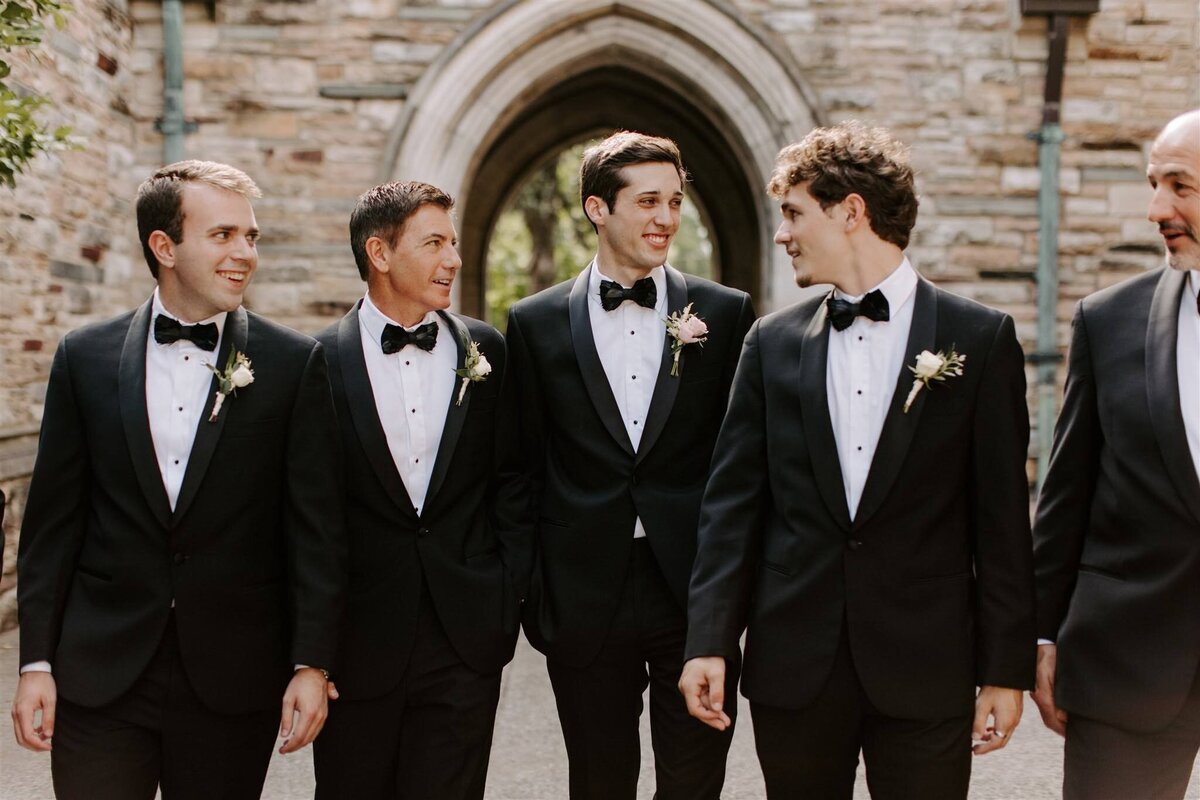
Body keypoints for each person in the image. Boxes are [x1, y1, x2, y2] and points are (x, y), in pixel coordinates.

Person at [680, 121, 1036, 799]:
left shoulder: (980, 339)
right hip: (796, 668)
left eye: (793, 214)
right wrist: (709, 640)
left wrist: (1005, 670)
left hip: (927, 665)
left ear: (851, 212)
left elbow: (1001, 523)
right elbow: (732, 509)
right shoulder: (770, 344)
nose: (782, 234)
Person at [11, 161, 346, 800]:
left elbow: (316, 531)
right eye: (223, 236)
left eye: (251, 237)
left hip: (231, 678)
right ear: (164, 247)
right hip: (100, 673)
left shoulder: (293, 363)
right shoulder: (83, 358)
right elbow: (52, 527)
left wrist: (311, 662)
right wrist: (36, 663)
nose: (244, 254)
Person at [506, 131, 755, 799]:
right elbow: (521, 468)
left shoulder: (725, 315)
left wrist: (733, 597)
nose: (666, 219)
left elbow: (741, 468)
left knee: (695, 781)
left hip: (694, 591)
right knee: (598, 782)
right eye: (647, 201)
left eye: (674, 202)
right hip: (585, 594)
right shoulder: (532, 324)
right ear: (596, 208)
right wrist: (537, 596)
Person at [311, 181, 532, 799]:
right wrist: (312, 648)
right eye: (434, 243)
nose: (454, 260)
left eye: (454, 243)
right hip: (358, 643)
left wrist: (505, 589)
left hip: (463, 636)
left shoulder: (484, 350)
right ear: (379, 254)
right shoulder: (317, 362)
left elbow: (511, 480)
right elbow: (311, 514)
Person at [1031, 109, 1200, 800]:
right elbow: (1067, 493)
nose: (1157, 208)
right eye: (1152, 184)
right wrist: (1041, 635)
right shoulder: (1107, 321)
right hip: (1126, 660)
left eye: (1180, 186)